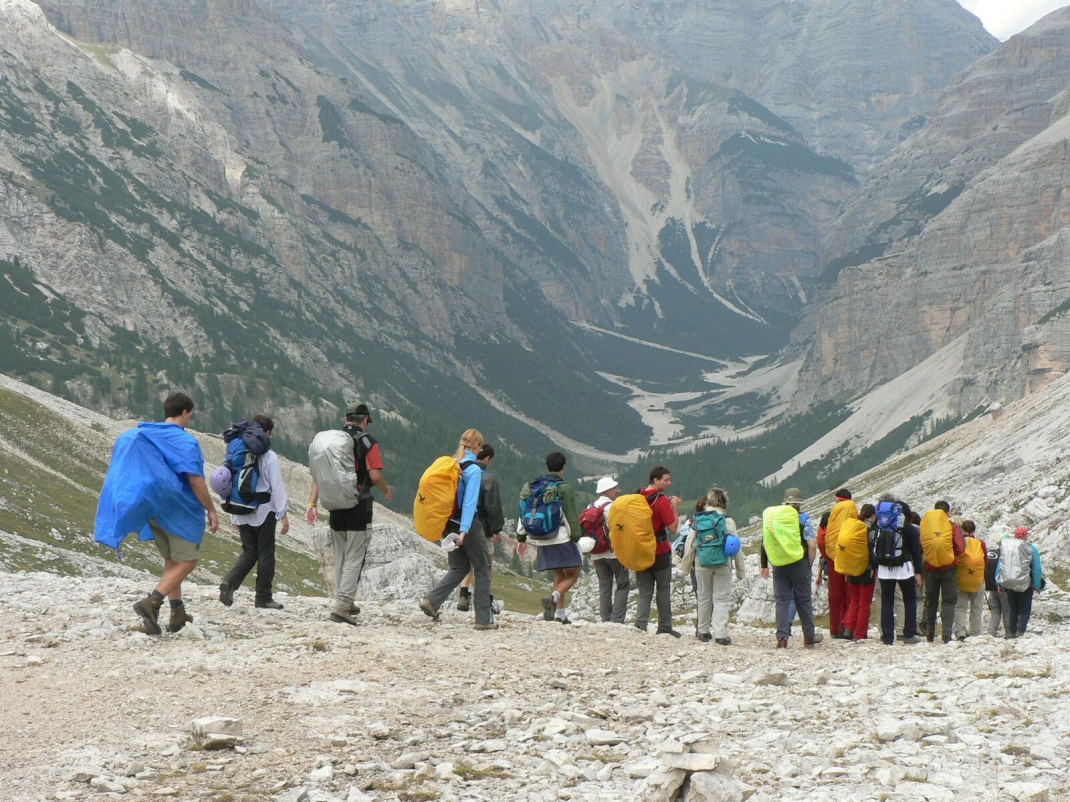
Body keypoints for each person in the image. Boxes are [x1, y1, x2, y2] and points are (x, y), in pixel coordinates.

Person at [95, 392, 219, 635]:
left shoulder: (149, 434)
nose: (189, 418)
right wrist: (211, 508)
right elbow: (194, 479)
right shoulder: (185, 441)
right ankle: (152, 601)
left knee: (171, 560)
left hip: (154, 509)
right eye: (190, 414)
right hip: (180, 511)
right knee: (188, 561)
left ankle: (177, 613)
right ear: (185, 412)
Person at [306, 402, 391, 626]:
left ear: (346, 420)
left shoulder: (332, 443)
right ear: (364, 420)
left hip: (334, 506)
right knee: (355, 556)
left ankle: (346, 598)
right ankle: (342, 607)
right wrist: (386, 489)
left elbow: (318, 475)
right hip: (358, 505)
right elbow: (374, 475)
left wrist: (312, 502)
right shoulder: (366, 441)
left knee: (341, 555)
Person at [421, 430, 497, 629]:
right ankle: (483, 619)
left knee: (459, 567)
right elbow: (470, 503)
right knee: (482, 568)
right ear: (478, 447)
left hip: (447, 522)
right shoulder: (473, 470)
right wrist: (464, 531)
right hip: (466, 525)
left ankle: (431, 600)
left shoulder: (452, 465)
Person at [218, 415, 289, 610]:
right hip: (264, 509)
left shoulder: (238, 451)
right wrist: (283, 513)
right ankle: (263, 597)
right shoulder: (269, 456)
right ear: (267, 433)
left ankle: (229, 582)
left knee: (249, 551)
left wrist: (234, 515)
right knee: (266, 552)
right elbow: (277, 486)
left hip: (241, 508)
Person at [516, 452, 583, 624]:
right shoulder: (564, 488)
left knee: (559, 574)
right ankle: (554, 597)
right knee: (574, 573)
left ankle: (560, 614)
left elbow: (523, 512)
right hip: (560, 537)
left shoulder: (532, 486)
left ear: (547, 467)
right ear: (564, 466)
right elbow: (570, 516)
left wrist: (521, 538)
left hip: (540, 537)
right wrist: (576, 537)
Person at [679, 487, 744, 645]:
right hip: (723, 564)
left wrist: (686, 566)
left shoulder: (699, 519)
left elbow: (690, 544)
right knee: (721, 598)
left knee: (703, 596)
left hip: (702, 563)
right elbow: (736, 546)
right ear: (725, 503)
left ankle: (703, 631)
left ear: (709, 502)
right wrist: (740, 570)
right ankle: (721, 634)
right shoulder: (728, 521)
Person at [761, 488, 822, 648]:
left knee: (782, 601)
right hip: (799, 564)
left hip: (779, 564)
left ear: (785, 502)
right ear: (800, 503)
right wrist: (808, 564)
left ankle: (782, 638)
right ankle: (809, 637)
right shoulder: (803, 519)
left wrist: (764, 564)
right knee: (804, 600)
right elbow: (812, 545)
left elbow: (764, 542)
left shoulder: (774, 519)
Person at [456, 444, 505, 613]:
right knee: (486, 564)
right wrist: (496, 529)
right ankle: (485, 599)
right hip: (482, 527)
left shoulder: (464, 471)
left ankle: (464, 595)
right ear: (488, 459)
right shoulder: (488, 478)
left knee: (468, 561)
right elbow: (493, 507)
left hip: (462, 524)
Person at [634, 465, 682, 637]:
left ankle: (640, 625)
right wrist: (675, 506)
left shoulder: (638, 496)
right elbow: (674, 528)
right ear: (656, 480)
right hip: (659, 550)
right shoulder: (660, 500)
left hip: (640, 550)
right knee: (662, 589)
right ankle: (664, 627)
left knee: (645, 590)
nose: (669, 482)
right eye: (666, 479)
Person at [876, 500, 922, 645]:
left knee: (887, 601)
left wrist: (874, 567)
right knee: (909, 599)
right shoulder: (909, 528)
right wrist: (918, 572)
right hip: (904, 567)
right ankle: (909, 634)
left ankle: (888, 636)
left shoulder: (880, 526)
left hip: (884, 568)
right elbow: (916, 552)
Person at [920, 500, 964, 643]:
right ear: (947, 513)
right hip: (949, 568)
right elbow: (960, 548)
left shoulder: (925, 526)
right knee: (948, 601)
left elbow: (921, 547)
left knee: (931, 600)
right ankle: (946, 635)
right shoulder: (952, 527)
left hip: (930, 568)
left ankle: (930, 634)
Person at [587, 477, 630, 624]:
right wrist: (627, 555)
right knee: (623, 584)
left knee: (604, 585)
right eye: (614, 488)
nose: (617, 491)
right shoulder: (614, 507)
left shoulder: (590, 506)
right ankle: (617, 620)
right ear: (607, 490)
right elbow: (622, 531)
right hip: (615, 553)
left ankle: (605, 619)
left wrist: (593, 555)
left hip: (597, 553)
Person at [816, 490, 857, 639]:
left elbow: (821, 539)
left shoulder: (828, 516)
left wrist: (827, 557)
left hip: (833, 560)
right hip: (850, 559)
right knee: (850, 593)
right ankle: (849, 626)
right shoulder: (853, 514)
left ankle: (835, 629)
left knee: (834, 594)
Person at [998, 526, 1044, 638]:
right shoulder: (1031, 548)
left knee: (1014, 608)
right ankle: (1021, 631)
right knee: (1025, 609)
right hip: (1026, 584)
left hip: (1010, 583)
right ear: (1025, 535)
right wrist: (1037, 585)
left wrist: (1001, 583)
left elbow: (1001, 566)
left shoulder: (1007, 547)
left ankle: (1011, 632)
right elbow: (1036, 568)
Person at [842, 503, 878, 640]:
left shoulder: (852, 528)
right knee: (864, 602)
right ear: (873, 516)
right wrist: (874, 567)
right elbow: (872, 552)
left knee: (854, 600)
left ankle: (848, 629)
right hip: (866, 570)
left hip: (851, 569)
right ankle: (860, 633)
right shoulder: (870, 531)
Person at [953, 520, 986, 640]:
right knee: (976, 606)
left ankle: (960, 632)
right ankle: (975, 631)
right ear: (974, 530)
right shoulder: (980, 543)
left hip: (960, 580)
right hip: (977, 580)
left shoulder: (958, 543)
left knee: (960, 607)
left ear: (962, 530)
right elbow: (985, 561)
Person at [984, 536, 1009, 637]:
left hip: (991, 586)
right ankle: (1009, 632)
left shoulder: (990, 553)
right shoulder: (1006, 555)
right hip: (1003, 587)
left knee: (995, 610)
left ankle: (991, 632)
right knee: (1007, 610)